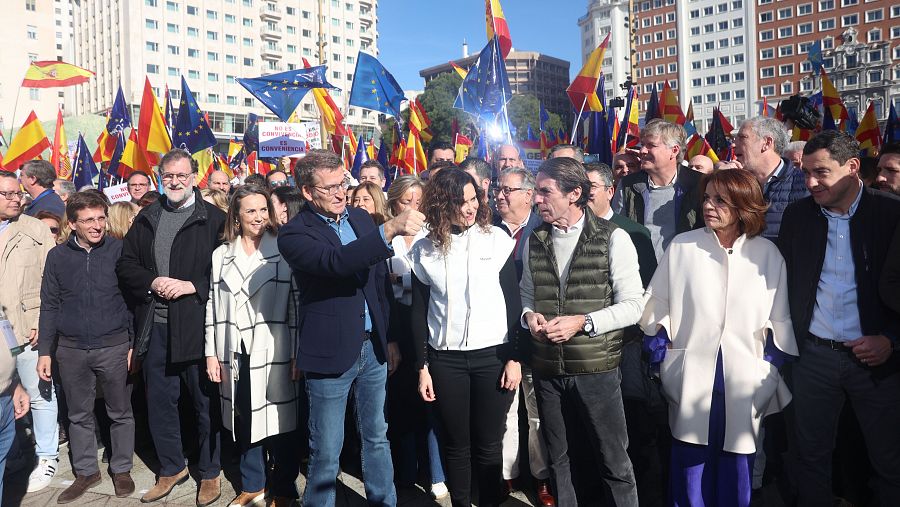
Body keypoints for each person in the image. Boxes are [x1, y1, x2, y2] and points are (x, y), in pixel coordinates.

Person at [641, 169, 798, 506]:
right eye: (707, 198)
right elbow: (657, 310)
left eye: (720, 200)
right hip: (691, 377)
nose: (709, 206)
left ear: (744, 206)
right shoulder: (683, 246)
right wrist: (662, 358)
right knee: (689, 470)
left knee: (736, 472)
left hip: (744, 382)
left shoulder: (768, 255)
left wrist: (767, 372)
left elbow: (779, 323)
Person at [277, 149, 424, 506]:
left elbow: (378, 284)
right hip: (329, 352)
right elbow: (337, 263)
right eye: (330, 188)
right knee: (326, 448)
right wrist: (389, 228)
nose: (341, 192)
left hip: (373, 349)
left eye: (343, 182)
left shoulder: (359, 219)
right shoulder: (295, 234)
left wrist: (388, 338)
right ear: (308, 193)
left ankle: (383, 501)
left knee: (377, 435)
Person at [777, 131, 900, 506]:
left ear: (852, 169)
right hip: (815, 359)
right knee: (810, 458)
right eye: (806, 174)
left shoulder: (892, 213)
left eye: (821, 173)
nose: (811, 183)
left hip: (878, 361)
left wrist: (892, 340)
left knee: (889, 461)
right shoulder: (797, 216)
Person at [520, 157, 644, 506]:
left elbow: (635, 305)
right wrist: (529, 317)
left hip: (597, 371)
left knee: (614, 462)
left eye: (545, 192)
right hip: (548, 370)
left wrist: (583, 322)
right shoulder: (535, 239)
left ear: (575, 193)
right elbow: (527, 295)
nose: (537, 200)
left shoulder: (613, 238)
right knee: (561, 463)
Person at [116, 149, 227, 506]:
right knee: (160, 402)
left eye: (181, 176)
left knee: (204, 404)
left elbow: (227, 272)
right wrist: (153, 281)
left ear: (194, 177)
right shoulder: (147, 216)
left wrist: (194, 285)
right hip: (156, 326)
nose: (175, 182)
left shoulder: (214, 218)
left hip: (197, 326)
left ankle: (210, 473)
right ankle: (171, 467)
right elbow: (126, 265)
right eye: (168, 177)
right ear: (159, 177)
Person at [410, 168, 522, 507]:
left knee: (489, 443)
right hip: (446, 360)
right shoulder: (424, 247)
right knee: (456, 444)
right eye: (461, 202)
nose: (470, 208)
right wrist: (422, 366)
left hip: (493, 357)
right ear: (444, 204)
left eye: (474, 199)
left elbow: (513, 301)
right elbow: (418, 310)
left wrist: (515, 357)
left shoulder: (497, 239)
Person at [36, 191, 136, 503]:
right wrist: (45, 352)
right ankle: (86, 471)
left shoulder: (120, 251)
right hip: (71, 349)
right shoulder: (58, 257)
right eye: (88, 220)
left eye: (100, 218)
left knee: (120, 411)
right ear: (73, 224)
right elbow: (49, 305)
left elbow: (133, 302)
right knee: (78, 414)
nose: (97, 225)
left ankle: (121, 469)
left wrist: (133, 344)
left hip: (115, 346)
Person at [205, 185, 302, 507]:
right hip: (234, 350)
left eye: (263, 210)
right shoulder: (222, 254)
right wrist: (211, 353)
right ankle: (253, 484)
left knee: (280, 423)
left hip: (274, 348)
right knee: (243, 418)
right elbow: (211, 305)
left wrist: (295, 353)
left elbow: (295, 306)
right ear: (236, 215)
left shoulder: (284, 249)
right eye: (250, 210)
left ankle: (285, 488)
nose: (258, 217)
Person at [585, 162, 664, 504]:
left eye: (590, 187)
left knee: (631, 423)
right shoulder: (570, 230)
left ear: (609, 191)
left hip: (626, 344)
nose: (583, 194)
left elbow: (647, 291)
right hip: (585, 346)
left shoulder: (633, 232)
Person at [491, 167, 553, 505]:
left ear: (529, 195)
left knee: (537, 413)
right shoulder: (488, 231)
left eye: (508, 190)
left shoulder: (542, 231)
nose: (500, 195)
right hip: (498, 336)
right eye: (498, 189)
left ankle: (541, 477)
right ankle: (507, 474)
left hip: (534, 335)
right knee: (505, 410)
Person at [383, 176, 447, 499]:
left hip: (427, 331)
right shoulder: (385, 240)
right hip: (396, 332)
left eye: (418, 201)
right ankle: (406, 472)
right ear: (394, 203)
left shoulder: (434, 238)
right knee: (400, 403)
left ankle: (436, 472)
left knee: (431, 403)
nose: (412, 208)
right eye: (406, 201)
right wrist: (392, 337)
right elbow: (384, 294)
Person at [0, 171, 58, 494]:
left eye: (17, 193)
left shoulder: (34, 228)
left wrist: (43, 321)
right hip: (0, 329)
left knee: (39, 392)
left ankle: (47, 454)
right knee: (6, 393)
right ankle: (15, 451)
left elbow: (52, 280)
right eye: (6, 194)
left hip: (26, 326)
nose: (15, 199)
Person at [612, 119, 704, 260]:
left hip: (685, 269)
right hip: (640, 274)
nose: (642, 150)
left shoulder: (699, 184)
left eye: (651, 145)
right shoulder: (628, 185)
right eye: (643, 144)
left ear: (674, 151)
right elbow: (616, 231)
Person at [725, 117, 809, 239]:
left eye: (742, 137)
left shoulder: (805, 184)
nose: (733, 144)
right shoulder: (735, 182)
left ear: (767, 143)